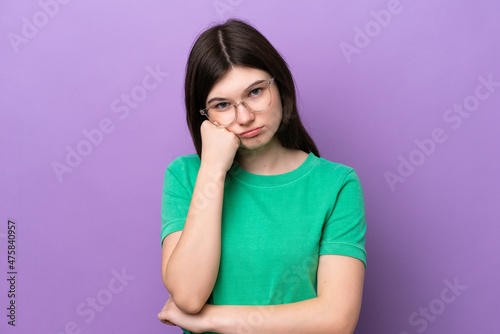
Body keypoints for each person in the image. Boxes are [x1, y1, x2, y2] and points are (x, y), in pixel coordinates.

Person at [158, 19, 367, 334]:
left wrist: (211, 320)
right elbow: (187, 296)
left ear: (279, 85)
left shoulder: (336, 185)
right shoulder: (185, 176)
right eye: (222, 105)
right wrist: (212, 168)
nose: (244, 118)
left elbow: (337, 320)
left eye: (255, 92)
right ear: (204, 116)